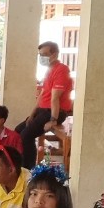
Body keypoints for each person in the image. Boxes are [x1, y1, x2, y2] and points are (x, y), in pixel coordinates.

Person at [17, 41, 74, 169]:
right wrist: (32, 114)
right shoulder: (49, 70)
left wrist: (53, 120)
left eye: (44, 54)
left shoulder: (61, 70)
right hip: (43, 110)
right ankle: (18, 164)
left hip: (54, 112)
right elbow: (42, 95)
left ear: (55, 54)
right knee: (18, 131)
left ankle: (28, 169)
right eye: (40, 55)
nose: (41, 58)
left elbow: (55, 98)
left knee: (26, 136)